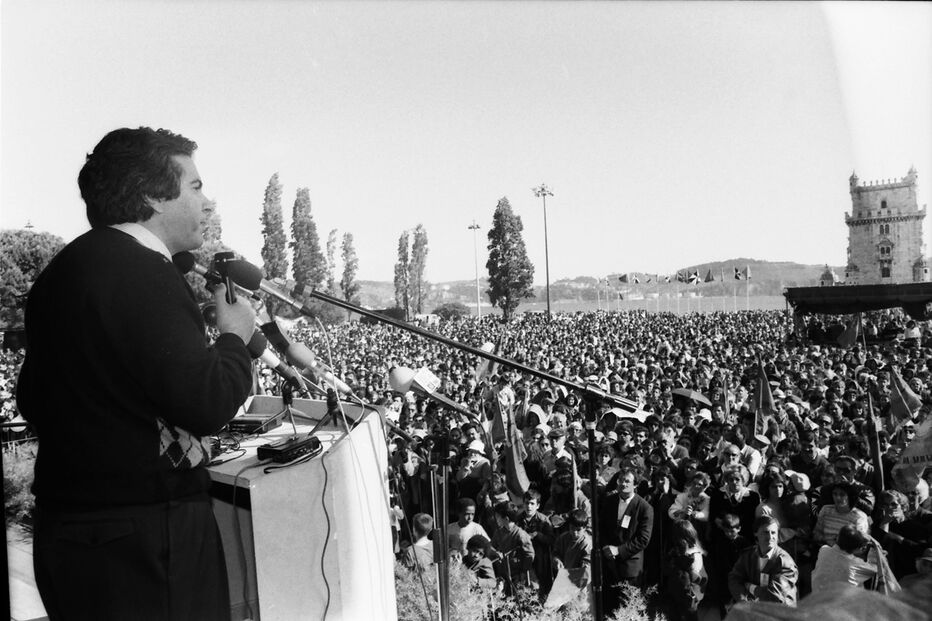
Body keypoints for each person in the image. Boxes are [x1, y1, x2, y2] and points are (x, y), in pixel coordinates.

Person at [16, 127, 257, 621]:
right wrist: (234, 337)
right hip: (146, 540)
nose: (207, 202)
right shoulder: (144, 271)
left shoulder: (62, 272)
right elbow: (208, 401)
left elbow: (32, 399)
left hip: (71, 532)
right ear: (152, 195)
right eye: (195, 186)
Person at [599, 468, 654, 613]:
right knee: (610, 609)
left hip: (630, 568)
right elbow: (602, 528)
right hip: (609, 564)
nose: (623, 484)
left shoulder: (644, 507)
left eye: (627, 481)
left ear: (635, 485)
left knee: (628, 608)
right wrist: (605, 547)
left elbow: (643, 539)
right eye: (620, 480)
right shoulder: (609, 501)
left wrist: (619, 550)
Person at [728, 515, 799, 606]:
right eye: (766, 532)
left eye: (773, 533)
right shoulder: (748, 555)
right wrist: (745, 601)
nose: (770, 537)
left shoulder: (786, 563)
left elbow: (773, 597)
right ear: (755, 533)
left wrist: (750, 587)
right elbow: (734, 579)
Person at [811, 524, 877, 591]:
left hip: (818, 596)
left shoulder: (824, 551)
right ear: (856, 548)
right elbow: (874, 568)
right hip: (843, 600)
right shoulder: (854, 564)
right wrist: (873, 550)